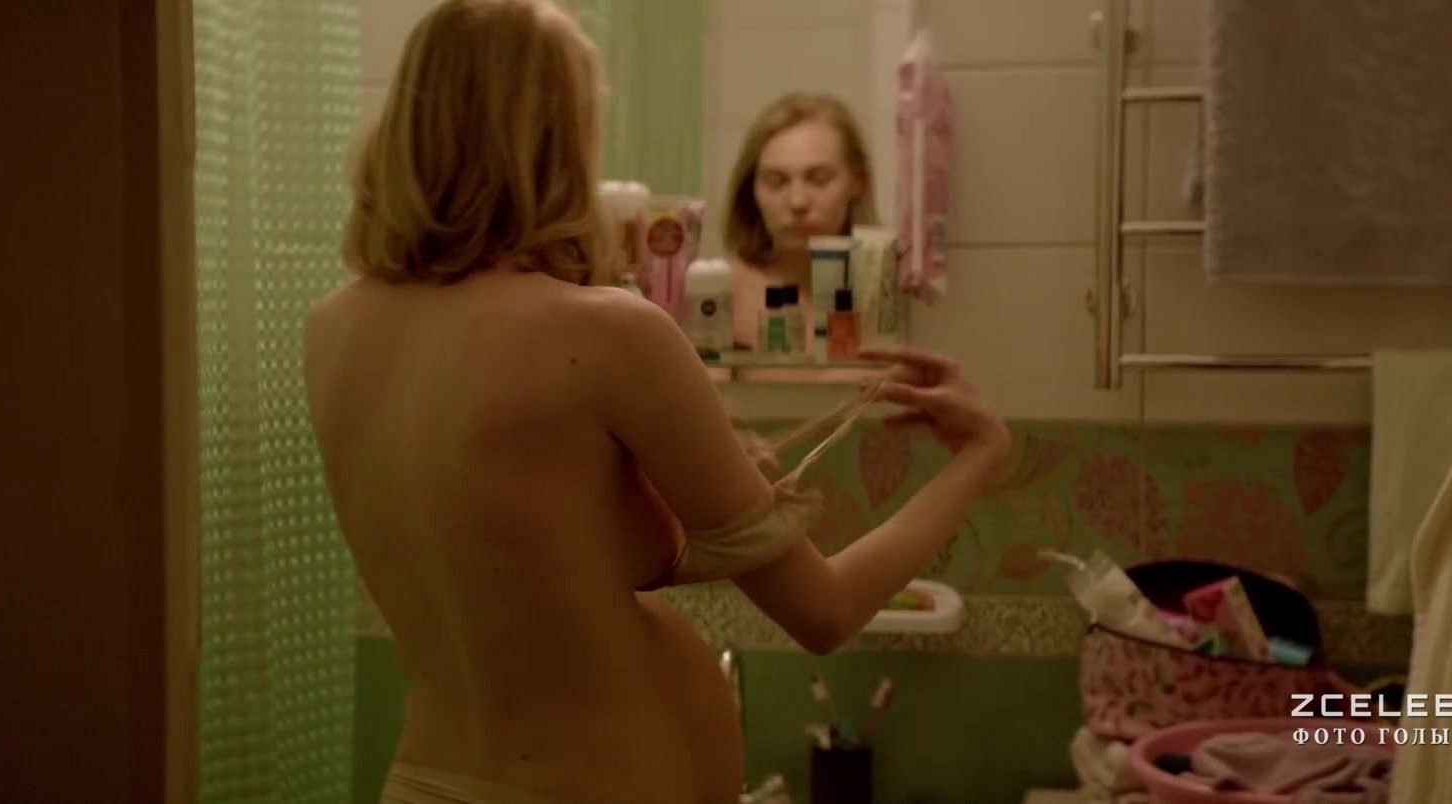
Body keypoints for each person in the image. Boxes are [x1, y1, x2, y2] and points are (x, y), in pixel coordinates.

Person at [302, 2, 1013, 801]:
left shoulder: (333, 331)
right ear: (552, 137)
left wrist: (688, 489)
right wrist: (979, 457)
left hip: (426, 778)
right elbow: (825, 611)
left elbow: (531, 559)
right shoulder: (607, 333)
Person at [719, 92, 877, 350]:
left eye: (819, 179)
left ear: (856, 182)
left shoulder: (888, 298)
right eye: (776, 181)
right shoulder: (717, 297)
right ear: (751, 190)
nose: (798, 202)